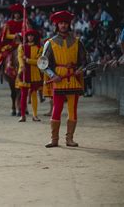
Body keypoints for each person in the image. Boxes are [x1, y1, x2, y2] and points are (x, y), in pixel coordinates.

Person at [41, 11, 87, 148]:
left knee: (73, 109)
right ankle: (54, 139)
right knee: (57, 109)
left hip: (73, 79)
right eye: (61, 23)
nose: (63, 25)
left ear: (69, 25)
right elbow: (43, 64)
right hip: (58, 80)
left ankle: (69, 139)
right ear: (57, 25)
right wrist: (52, 75)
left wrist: (81, 69)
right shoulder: (50, 43)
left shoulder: (77, 42)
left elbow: (86, 62)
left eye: (65, 23)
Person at [16, 29, 43, 122]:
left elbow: (39, 61)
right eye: (28, 36)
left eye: (32, 36)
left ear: (34, 37)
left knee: (34, 94)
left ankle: (35, 115)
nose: (30, 37)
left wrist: (28, 60)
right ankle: (23, 115)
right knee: (23, 95)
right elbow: (19, 57)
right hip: (24, 72)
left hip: (34, 73)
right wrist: (22, 65)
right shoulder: (21, 46)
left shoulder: (39, 47)